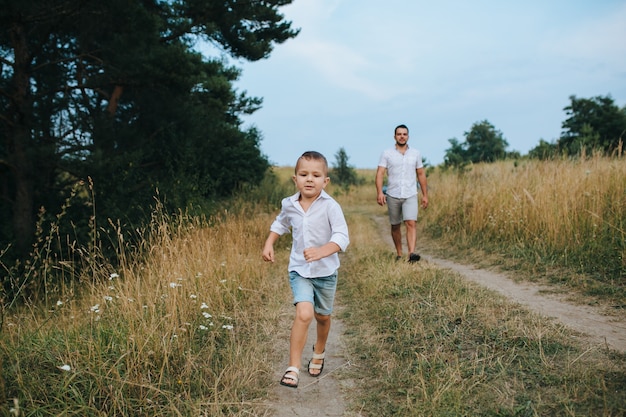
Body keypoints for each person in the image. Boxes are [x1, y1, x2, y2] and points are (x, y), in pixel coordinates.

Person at [262, 151, 350, 389]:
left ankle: (319, 350)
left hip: (326, 272)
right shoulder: (289, 204)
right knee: (304, 314)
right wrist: (269, 243)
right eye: (304, 174)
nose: (309, 179)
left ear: (325, 181)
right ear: (295, 179)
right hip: (300, 270)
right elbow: (280, 223)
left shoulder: (331, 206)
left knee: (322, 316)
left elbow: (342, 236)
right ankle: (293, 367)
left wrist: (323, 251)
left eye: (316, 175)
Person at [376, 124, 429, 262]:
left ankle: (411, 254)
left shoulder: (415, 153)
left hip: (410, 193)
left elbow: (421, 174)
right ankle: (399, 254)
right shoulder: (387, 153)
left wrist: (425, 195)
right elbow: (380, 173)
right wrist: (380, 192)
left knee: (411, 223)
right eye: (399, 134)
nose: (402, 136)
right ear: (395, 137)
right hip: (393, 194)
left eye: (404, 134)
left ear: (408, 136)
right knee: (395, 225)